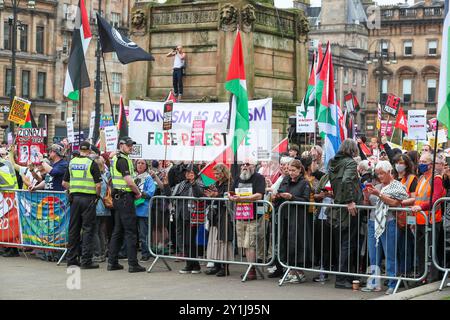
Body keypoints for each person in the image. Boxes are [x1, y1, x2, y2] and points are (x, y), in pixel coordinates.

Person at [363, 161, 409, 295]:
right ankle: (373, 283)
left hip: (388, 222)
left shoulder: (397, 186)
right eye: (378, 174)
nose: (380, 176)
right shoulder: (377, 186)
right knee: (373, 255)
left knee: (390, 255)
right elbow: (368, 204)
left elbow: (395, 203)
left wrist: (379, 195)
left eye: (382, 173)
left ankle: (392, 283)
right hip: (373, 222)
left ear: (389, 172)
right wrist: (366, 196)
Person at [401, 152, 446, 283]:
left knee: (431, 250)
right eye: (420, 161)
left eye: (423, 162)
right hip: (420, 220)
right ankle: (422, 276)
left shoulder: (436, 179)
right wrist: (412, 215)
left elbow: (436, 199)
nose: (420, 164)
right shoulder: (420, 178)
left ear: (431, 165)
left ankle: (432, 278)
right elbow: (417, 199)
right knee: (421, 250)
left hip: (431, 220)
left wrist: (422, 208)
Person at [328, 139, 363, 289]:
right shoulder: (349, 162)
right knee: (347, 244)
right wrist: (350, 201)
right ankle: (343, 279)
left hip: (339, 205)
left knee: (344, 243)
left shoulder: (333, 162)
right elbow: (347, 181)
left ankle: (346, 276)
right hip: (349, 208)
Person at [107, 137, 146, 273]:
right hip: (125, 198)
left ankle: (112, 262)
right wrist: (138, 192)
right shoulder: (122, 160)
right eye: (128, 145)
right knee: (130, 232)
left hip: (119, 198)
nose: (130, 147)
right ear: (121, 145)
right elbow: (129, 181)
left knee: (118, 231)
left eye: (131, 145)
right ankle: (133, 264)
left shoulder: (117, 159)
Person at [62, 141, 102, 269]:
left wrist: (73, 189)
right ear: (89, 151)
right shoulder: (91, 164)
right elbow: (98, 185)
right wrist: (97, 196)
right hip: (89, 200)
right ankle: (86, 261)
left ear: (79, 150)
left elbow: (64, 183)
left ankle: (72, 260)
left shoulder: (72, 162)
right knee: (88, 230)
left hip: (75, 199)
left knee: (73, 229)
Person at [229, 158, 266, 280]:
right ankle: (250, 268)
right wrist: (231, 197)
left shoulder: (259, 178)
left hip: (254, 217)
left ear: (253, 166)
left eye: (247, 164)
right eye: (243, 164)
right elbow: (231, 192)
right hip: (240, 216)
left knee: (250, 244)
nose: (244, 166)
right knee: (243, 244)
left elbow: (259, 195)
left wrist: (243, 199)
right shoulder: (238, 178)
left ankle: (251, 271)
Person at [274, 159, 310, 283]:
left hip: (298, 218)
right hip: (285, 215)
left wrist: (292, 197)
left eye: (293, 170)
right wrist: (277, 196)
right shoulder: (285, 180)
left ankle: (299, 272)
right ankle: (290, 270)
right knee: (285, 242)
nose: (291, 173)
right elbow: (280, 193)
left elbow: (306, 201)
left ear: (300, 170)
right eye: (289, 170)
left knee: (297, 243)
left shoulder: (304, 183)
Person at [170, 165, 205, 274]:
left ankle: (194, 265)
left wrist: (193, 183)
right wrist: (165, 183)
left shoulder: (199, 183)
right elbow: (169, 194)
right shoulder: (181, 184)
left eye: (190, 172)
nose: (187, 174)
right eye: (186, 172)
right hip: (180, 215)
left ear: (195, 173)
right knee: (185, 241)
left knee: (190, 241)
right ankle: (190, 264)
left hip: (192, 215)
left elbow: (199, 195)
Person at [203, 164, 233, 277]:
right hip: (215, 214)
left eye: (218, 173)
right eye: (215, 173)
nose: (216, 175)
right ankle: (216, 265)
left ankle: (225, 267)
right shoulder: (216, 183)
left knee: (223, 239)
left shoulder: (229, 183)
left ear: (223, 173)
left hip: (225, 213)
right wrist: (210, 195)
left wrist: (216, 195)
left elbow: (228, 196)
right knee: (214, 239)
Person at [393, 153, 417, 276]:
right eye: (397, 162)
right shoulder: (393, 178)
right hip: (394, 217)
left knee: (405, 247)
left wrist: (398, 202)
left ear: (407, 165)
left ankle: (406, 272)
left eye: (401, 163)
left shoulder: (412, 178)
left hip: (407, 216)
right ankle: (398, 272)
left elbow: (414, 198)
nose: (398, 165)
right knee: (396, 247)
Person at [134, 159, 156, 261]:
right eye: (138, 163)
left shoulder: (148, 178)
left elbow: (151, 192)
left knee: (143, 234)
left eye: (142, 163)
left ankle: (145, 253)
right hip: (133, 209)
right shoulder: (133, 176)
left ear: (146, 166)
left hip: (143, 209)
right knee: (133, 233)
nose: (140, 165)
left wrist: (139, 193)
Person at [92, 156, 112, 263]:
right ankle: (103, 252)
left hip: (97, 206)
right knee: (101, 231)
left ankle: (98, 253)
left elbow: (97, 190)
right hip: (104, 207)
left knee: (95, 231)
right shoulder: (104, 176)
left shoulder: (97, 178)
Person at [0, 155, 20, 257]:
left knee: (9, 224)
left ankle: (11, 249)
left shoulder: (2, 164)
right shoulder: (6, 162)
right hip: (12, 195)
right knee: (9, 224)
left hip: (8, 197)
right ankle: (8, 247)